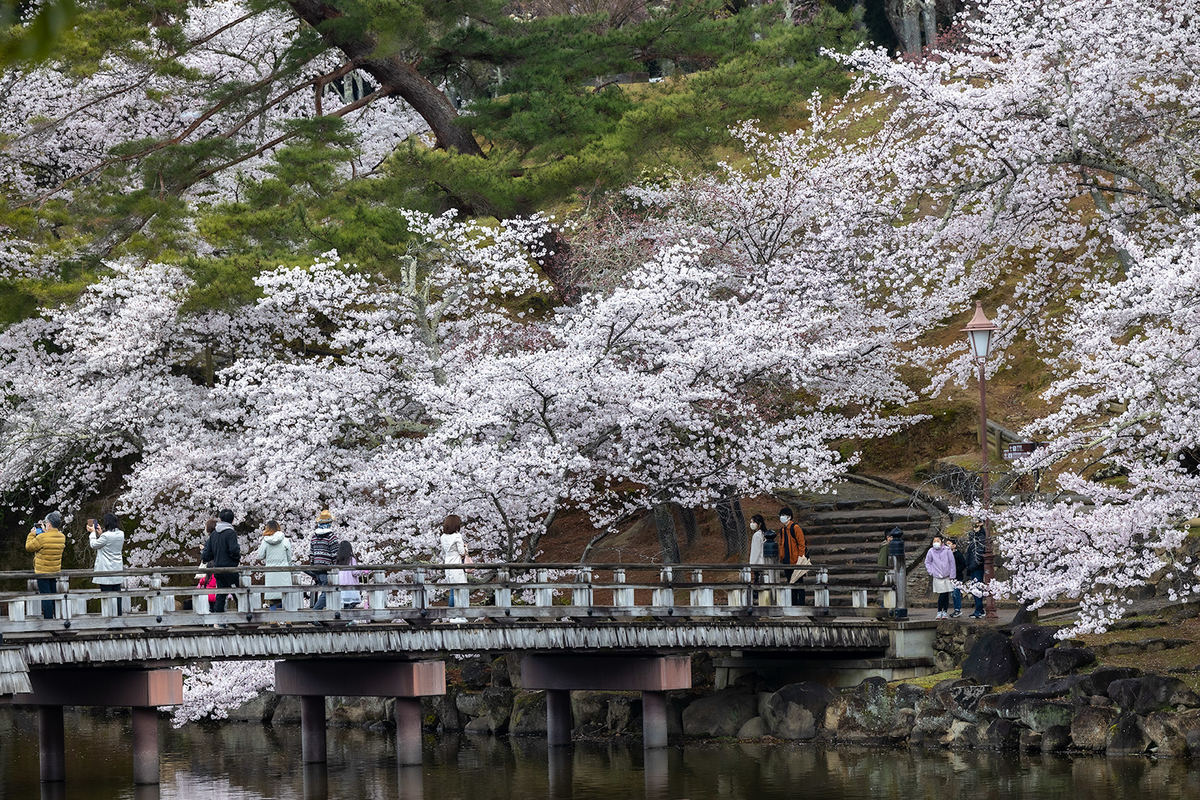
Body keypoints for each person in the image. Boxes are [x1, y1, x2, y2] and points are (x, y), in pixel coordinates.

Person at [26, 511, 66, 620]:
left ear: (49, 524)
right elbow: (50, 540)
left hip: (42, 572)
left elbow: (29, 547)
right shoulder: (62, 536)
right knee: (52, 595)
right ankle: (54, 617)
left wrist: (32, 534)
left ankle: (48, 620)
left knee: (46, 596)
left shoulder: (42, 537)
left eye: (45, 523)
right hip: (55, 571)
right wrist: (44, 532)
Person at [201, 509, 241, 613]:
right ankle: (243, 616)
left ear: (220, 519)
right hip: (230, 569)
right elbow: (234, 550)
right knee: (239, 594)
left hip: (218, 568)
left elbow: (206, 555)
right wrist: (236, 559)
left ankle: (220, 620)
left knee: (220, 595)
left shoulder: (214, 535)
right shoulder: (230, 533)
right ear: (232, 521)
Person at [88, 512, 126, 616]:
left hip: (105, 570)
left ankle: (108, 621)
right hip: (117, 569)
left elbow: (94, 545)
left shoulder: (106, 536)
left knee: (106, 597)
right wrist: (101, 534)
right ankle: (118, 620)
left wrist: (92, 533)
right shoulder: (121, 534)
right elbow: (109, 543)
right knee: (117, 595)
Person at [255, 519, 293, 610]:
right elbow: (289, 557)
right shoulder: (285, 540)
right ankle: (287, 620)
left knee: (272, 596)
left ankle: (273, 619)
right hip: (284, 571)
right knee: (285, 595)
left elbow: (260, 556)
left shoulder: (266, 541)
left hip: (271, 571)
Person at [308, 509, 339, 610]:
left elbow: (312, 555)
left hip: (317, 568)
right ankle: (315, 613)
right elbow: (335, 555)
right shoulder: (331, 537)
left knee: (324, 591)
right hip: (327, 570)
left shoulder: (314, 537)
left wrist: (313, 568)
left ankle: (321, 615)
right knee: (327, 591)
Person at [778, 507, 807, 605]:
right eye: (781, 515)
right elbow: (782, 544)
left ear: (789, 517)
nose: (781, 517)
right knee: (791, 583)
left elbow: (801, 544)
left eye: (783, 515)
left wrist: (800, 558)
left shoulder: (795, 528)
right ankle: (794, 604)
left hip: (796, 560)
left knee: (799, 583)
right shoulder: (782, 530)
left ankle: (801, 604)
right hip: (786, 560)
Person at [440, 514, 468, 611]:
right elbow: (461, 552)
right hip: (456, 563)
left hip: (448, 563)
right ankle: (459, 614)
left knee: (452, 590)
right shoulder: (457, 536)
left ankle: (451, 614)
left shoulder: (443, 537)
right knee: (460, 590)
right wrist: (466, 548)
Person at [331, 540, 370, 610]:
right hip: (351, 586)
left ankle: (347, 619)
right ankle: (348, 619)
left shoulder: (338, 561)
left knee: (346, 604)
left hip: (341, 586)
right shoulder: (351, 559)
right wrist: (362, 570)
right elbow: (354, 572)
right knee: (353, 603)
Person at [924, 534, 956, 620]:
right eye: (934, 541)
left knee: (946, 594)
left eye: (937, 541)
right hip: (937, 576)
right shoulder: (931, 551)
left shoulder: (947, 550)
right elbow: (927, 562)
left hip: (947, 575)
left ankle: (944, 611)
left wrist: (952, 575)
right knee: (942, 593)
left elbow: (952, 563)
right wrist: (931, 571)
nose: (935, 543)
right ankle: (939, 611)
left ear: (942, 542)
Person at [964, 521, 988, 619]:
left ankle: (979, 609)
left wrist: (975, 563)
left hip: (977, 565)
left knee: (977, 587)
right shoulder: (973, 536)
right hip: (972, 565)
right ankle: (979, 609)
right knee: (974, 588)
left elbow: (979, 551)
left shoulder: (982, 536)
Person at [949, 537, 966, 618]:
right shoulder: (947, 554)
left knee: (956, 593)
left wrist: (956, 570)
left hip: (957, 577)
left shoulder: (958, 555)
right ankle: (956, 609)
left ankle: (958, 609)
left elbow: (963, 564)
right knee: (953, 594)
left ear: (954, 545)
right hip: (950, 577)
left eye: (949, 544)